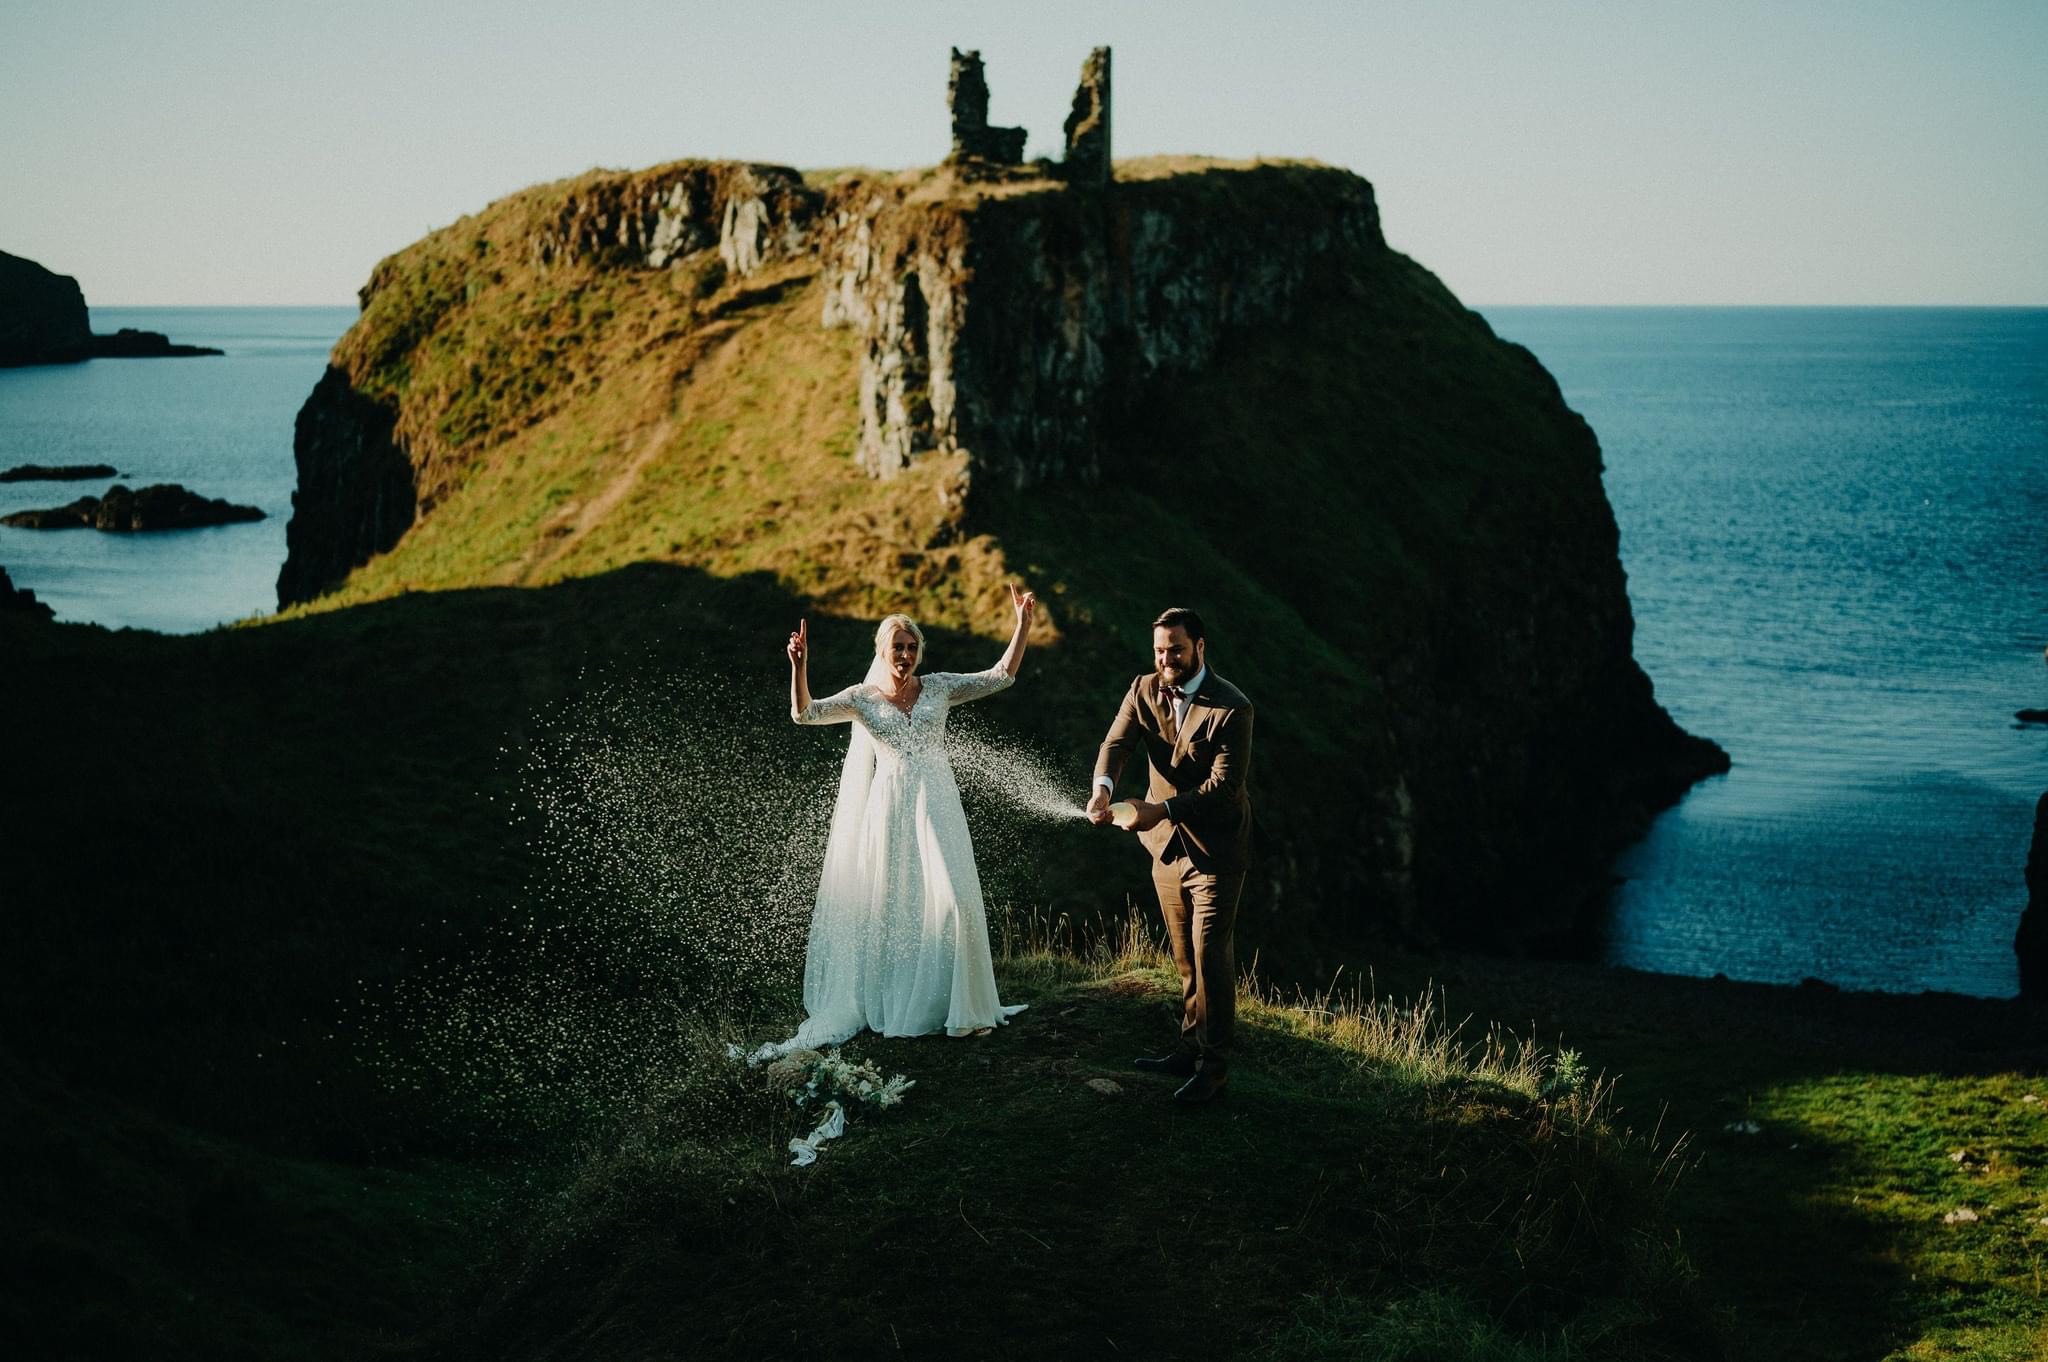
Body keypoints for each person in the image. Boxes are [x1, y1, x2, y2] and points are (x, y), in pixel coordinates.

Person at [771, 585, 1037, 1051]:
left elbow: (1000, 676)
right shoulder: (863, 698)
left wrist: (1022, 625)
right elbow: (805, 714)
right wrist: (799, 665)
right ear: (883, 650)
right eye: (899, 647)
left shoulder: (938, 686)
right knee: (900, 910)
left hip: (938, 805)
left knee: (952, 903)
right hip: (891, 810)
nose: (907, 654)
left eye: (913, 647)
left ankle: (966, 1008)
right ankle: (906, 1002)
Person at [1086, 607, 1254, 1105]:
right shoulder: (1142, 688)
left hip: (1217, 848)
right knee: (1183, 956)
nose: (1166, 660)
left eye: (1175, 650)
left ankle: (1214, 1069)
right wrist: (1102, 789)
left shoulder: (1233, 707)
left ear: (1199, 647)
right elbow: (1115, 743)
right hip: (1164, 849)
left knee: (1210, 956)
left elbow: (1223, 790)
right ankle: (1187, 1048)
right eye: (1160, 651)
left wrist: (1159, 809)